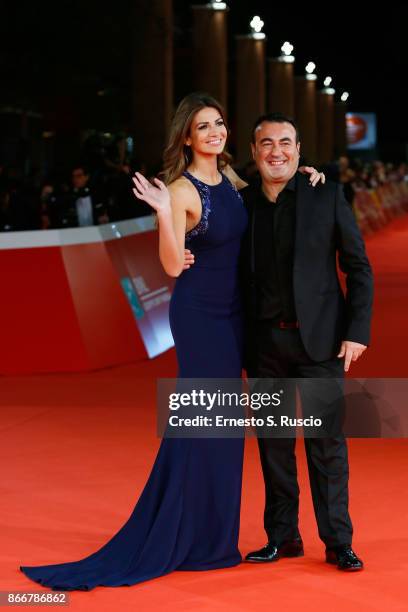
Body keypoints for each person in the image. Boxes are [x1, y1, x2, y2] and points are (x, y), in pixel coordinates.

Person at [20, 94, 323, 590]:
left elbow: (271, 191)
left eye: (220, 124)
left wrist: (304, 173)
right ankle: (193, 538)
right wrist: (164, 212)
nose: (215, 133)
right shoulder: (181, 190)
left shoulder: (229, 178)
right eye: (204, 127)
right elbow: (168, 264)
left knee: (220, 425)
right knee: (209, 422)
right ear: (187, 136)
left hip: (234, 314)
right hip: (201, 317)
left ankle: (207, 533)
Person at [240, 113, 373, 571]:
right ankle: (282, 537)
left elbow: (358, 268)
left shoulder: (328, 196)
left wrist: (358, 330)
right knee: (273, 447)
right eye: (266, 143)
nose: (276, 150)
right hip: (264, 346)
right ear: (254, 151)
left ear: (298, 150)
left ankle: (339, 541)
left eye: (285, 142)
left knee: (327, 447)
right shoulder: (241, 203)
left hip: (320, 346)